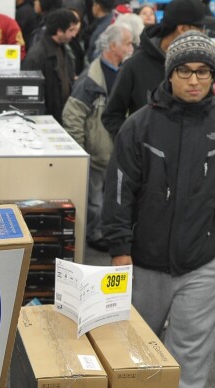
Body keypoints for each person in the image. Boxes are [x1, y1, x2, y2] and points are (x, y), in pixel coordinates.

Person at [102, 31, 215, 388]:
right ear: (171, 75)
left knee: (192, 341)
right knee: (135, 339)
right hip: (143, 259)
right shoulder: (140, 125)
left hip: (204, 259)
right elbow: (118, 191)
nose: (195, 80)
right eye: (185, 71)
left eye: (203, 72)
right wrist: (119, 250)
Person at [62, 23, 132, 252]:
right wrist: (80, 152)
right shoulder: (90, 80)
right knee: (94, 199)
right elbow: (72, 115)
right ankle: (95, 234)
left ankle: (104, 230)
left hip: (115, 151)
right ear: (113, 46)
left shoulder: (122, 71)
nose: (132, 47)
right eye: (128, 43)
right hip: (97, 153)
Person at [101, 0, 213, 136]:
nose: (203, 34)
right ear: (183, 29)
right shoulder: (137, 64)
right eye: (200, 29)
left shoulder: (199, 66)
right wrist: (135, 144)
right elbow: (111, 116)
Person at [22, 9, 78, 123]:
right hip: (45, 122)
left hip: (60, 118)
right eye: (71, 30)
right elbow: (30, 97)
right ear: (59, 31)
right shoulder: (36, 57)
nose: (74, 34)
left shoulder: (64, 49)